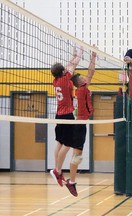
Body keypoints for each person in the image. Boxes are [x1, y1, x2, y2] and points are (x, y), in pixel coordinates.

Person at [50, 46, 83, 197]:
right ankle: (57, 170)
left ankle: (56, 169)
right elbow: (73, 65)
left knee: (59, 142)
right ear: (63, 73)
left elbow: (68, 66)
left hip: (59, 114)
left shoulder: (56, 81)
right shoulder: (64, 80)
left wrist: (72, 55)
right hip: (67, 115)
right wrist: (80, 54)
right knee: (68, 144)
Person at [64, 48, 96, 196]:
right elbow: (91, 73)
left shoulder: (81, 90)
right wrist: (92, 57)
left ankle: (71, 180)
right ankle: (71, 181)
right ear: (80, 81)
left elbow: (89, 74)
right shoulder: (82, 89)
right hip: (80, 124)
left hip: (81, 124)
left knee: (78, 154)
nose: (85, 78)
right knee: (76, 154)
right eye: (83, 78)